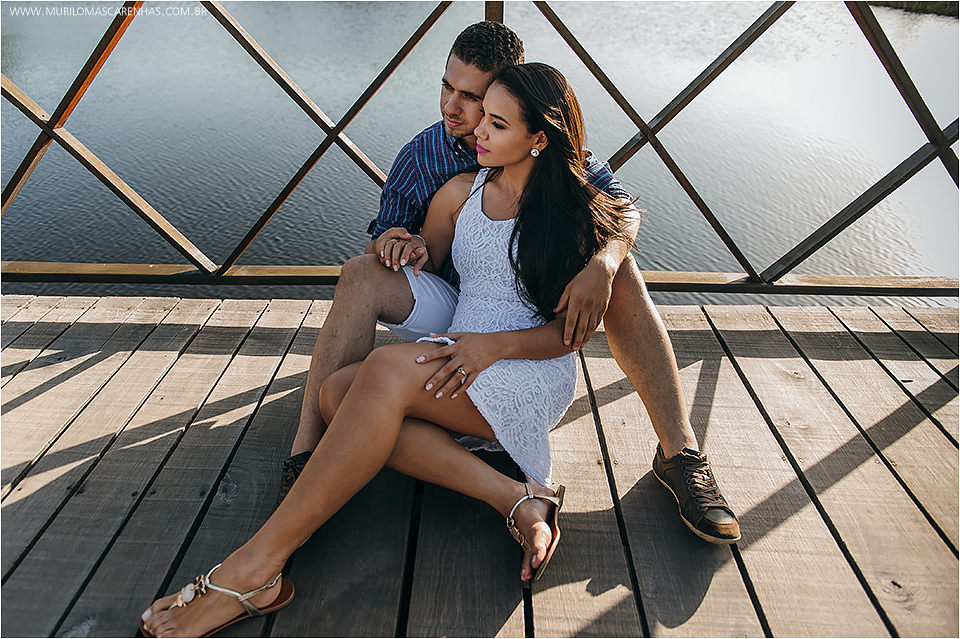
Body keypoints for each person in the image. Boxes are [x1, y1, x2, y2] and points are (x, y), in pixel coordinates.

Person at [140, 62, 632, 639]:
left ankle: (255, 566)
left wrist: (489, 347)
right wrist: (404, 248)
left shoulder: (569, 213)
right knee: (335, 393)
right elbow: (431, 263)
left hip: (523, 371)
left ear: (539, 139)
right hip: (458, 357)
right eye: (482, 118)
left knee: (381, 371)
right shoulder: (459, 194)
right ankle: (519, 499)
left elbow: (568, 337)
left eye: (497, 125)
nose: (477, 131)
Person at [281, 21, 740, 545]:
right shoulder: (424, 155)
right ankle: (308, 448)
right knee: (360, 274)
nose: (451, 108)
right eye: (446, 86)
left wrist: (605, 263)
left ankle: (679, 455)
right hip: (448, 299)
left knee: (624, 269)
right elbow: (385, 244)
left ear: (509, 94)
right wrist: (392, 242)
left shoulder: (551, 153)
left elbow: (622, 210)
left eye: (471, 97)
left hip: (519, 317)